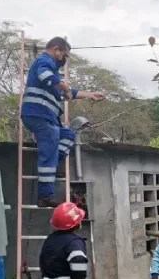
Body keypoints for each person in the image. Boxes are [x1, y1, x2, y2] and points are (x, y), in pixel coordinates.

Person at [21, 36, 105, 208]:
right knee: (50, 149)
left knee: (68, 135)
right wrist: (65, 87)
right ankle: (45, 196)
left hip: (48, 118)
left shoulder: (52, 76)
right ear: (56, 49)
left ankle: (51, 166)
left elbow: (67, 92)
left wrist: (89, 94)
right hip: (38, 115)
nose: (64, 60)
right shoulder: (44, 61)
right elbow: (48, 78)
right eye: (64, 55)